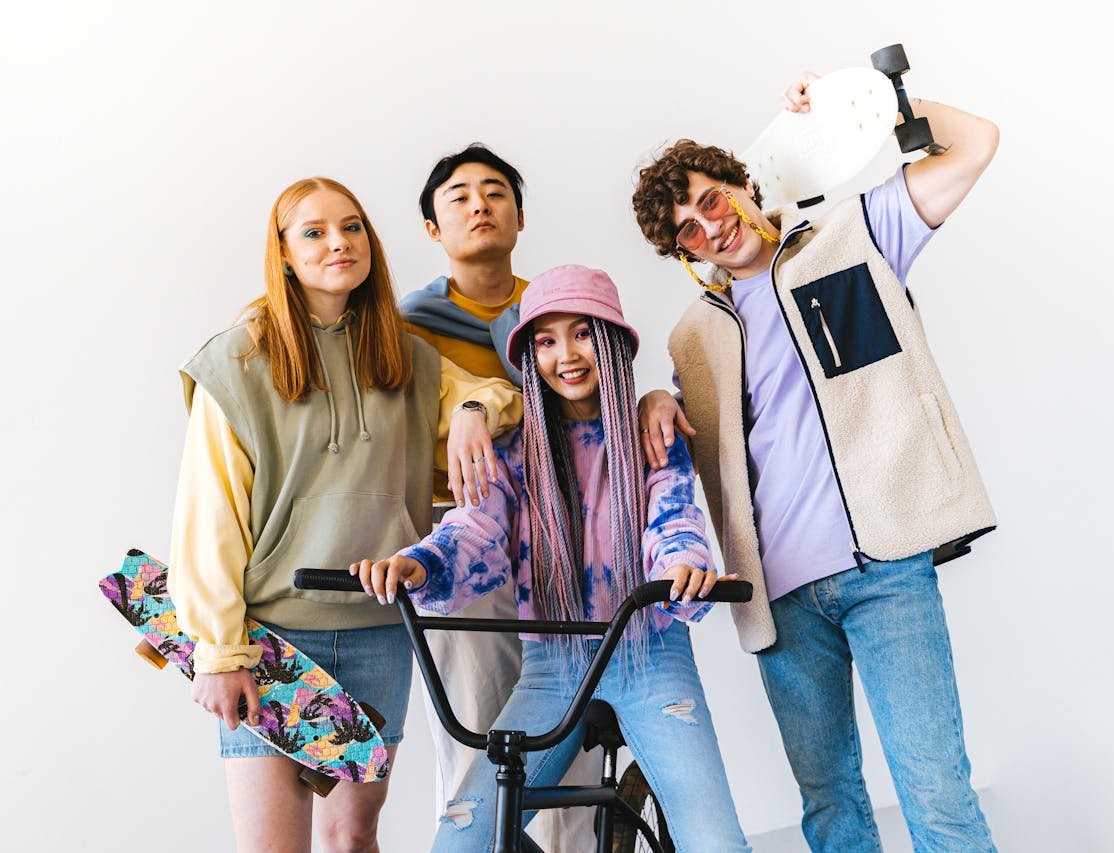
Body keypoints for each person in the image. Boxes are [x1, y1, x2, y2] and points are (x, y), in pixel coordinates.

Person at [629, 75, 1002, 852]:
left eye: (711, 199)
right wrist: (652, 402)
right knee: (831, 808)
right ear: (681, 252)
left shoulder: (854, 237)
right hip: (780, 600)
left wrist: (863, 99)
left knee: (935, 790)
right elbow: (704, 437)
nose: (709, 226)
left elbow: (977, 144)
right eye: (686, 231)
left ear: (741, 182)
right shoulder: (691, 339)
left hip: (887, 568)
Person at [170, 176, 521, 852]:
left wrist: (474, 409)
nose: (340, 242)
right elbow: (208, 514)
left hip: (379, 629)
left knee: (354, 836)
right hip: (272, 640)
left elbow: (497, 393)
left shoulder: (405, 356)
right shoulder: (239, 359)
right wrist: (218, 651)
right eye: (316, 230)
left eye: (353, 226)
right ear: (284, 251)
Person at [353, 265, 751, 853]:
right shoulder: (514, 452)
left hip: (650, 653)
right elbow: (475, 527)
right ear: (529, 355)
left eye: (583, 333)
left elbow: (674, 518)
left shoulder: (652, 437)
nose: (566, 354)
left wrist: (679, 569)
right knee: (461, 841)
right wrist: (421, 563)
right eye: (545, 340)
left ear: (612, 342)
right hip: (553, 662)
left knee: (715, 841)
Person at [396, 144, 682, 848]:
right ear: (432, 227)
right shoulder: (405, 330)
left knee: (571, 728)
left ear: (519, 216)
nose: (478, 204)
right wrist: (479, 404)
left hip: (566, 538)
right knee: (475, 739)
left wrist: (650, 398)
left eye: (495, 192)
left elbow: (602, 398)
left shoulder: (557, 311)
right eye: (457, 195)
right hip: (463, 540)